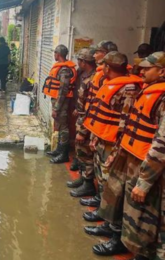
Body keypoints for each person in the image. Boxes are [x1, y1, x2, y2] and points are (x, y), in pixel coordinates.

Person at [115, 52, 165, 260]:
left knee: (160, 222)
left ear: (162, 71)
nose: (141, 71)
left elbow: (163, 145)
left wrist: (143, 182)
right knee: (144, 220)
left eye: (146, 68)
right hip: (146, 167)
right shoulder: (153, 94)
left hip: (161, 173)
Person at [81, 51, 143, 256]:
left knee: (114, 191)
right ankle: (107, 222)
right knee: (106, 186)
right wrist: (96, 136)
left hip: (115, 148)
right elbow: (103, 115)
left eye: (103, 65)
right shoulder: (109, 85)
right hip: (104, 141)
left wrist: (115, 152)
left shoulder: (129, 90)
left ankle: (116, 236)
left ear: (108, 67)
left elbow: (125, 125)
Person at [79, 40, 118, 209]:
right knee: (94, 163)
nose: (95, 55)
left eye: (98, 52)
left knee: (106, 172)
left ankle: (104, 207)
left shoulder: (115, 83)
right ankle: (91, 189)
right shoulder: (99, 75)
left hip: (107, 133)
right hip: (95, 126)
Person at [67, 48, 97, 192]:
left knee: (86, 153)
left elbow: (91, 107)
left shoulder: (94, 79)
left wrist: (83, 130)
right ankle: (83, 177)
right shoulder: (84, 75)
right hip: (81, 118)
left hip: (86, 123)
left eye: (80, 60)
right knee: (80, 152)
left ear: (85, 62)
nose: (78, 63)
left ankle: (88, 184)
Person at [43, 45, 77, 164]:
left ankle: (64, 154)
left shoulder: (64, 70)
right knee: (59, 124)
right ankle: (58, 149)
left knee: (63, 127)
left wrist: (56, 108)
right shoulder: (61, 67)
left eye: (55, 53)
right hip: (58, 101)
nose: (54, 55)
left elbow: (63, 90)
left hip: (61, 102)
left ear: (58, 54)